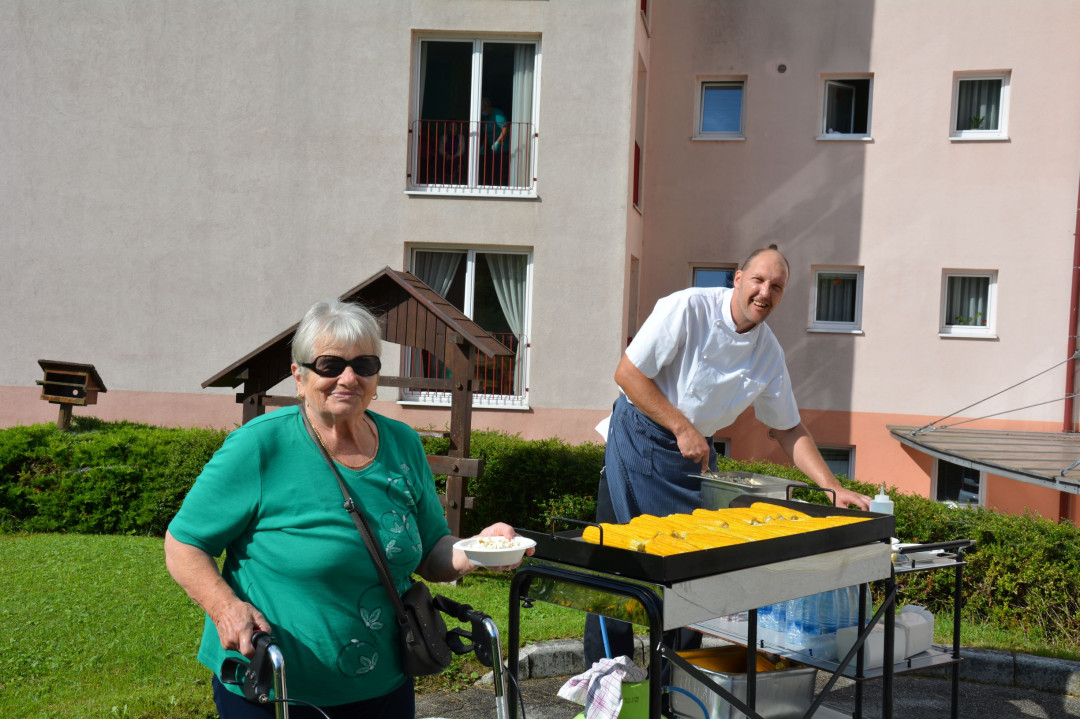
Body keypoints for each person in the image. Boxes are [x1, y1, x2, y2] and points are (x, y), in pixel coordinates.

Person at [165, 299, 532, 719]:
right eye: (329, 365)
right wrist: (225, 608)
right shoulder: (260, 447)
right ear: (299, 377)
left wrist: (480, 549)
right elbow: (184, 542)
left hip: (386, 685)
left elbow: (433, 549)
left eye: (364, 364)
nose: (349, 377)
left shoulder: (403, 445)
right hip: (275, 686)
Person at [583, 245, 871, 666]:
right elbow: (627, 374)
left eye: (776, 286)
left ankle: (673, 686)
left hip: (693, 455)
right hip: (640, 439)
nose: (764, 292)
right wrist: (682, 427)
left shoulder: (768, 352)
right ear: (737, 279)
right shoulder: (686, 307)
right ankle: (607, 679)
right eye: (758, 280)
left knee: (695, 576)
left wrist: (831, 487)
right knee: (620, 569)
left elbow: (788, 427)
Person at [480, 96, 509, 185]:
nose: (482, 112)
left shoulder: (497, 114)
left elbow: (505, 129)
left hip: (502, 149)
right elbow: (486, 133)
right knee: (491, 169)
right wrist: (483, 146)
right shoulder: (486, 117)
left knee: (500, 171)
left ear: (487, 107)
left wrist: (497, 143)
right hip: (491, 149)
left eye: (482, 109)